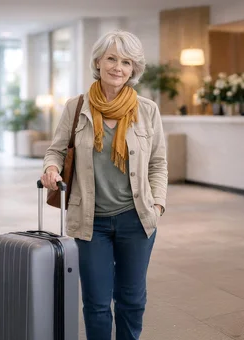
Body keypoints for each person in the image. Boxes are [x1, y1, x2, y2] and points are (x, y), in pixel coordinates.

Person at [40, 30, 168, 340]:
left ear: (133, 68)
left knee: (132, 301)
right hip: (90, 222)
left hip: (136, 219)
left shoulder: (147, 109)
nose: (118, 67)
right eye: (112, 58)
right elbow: (56, 149)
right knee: (96, 303)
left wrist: (158, 204)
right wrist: (51, 167)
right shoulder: (77, 106)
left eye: (126, 62)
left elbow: (158, 162)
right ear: (98, 61)